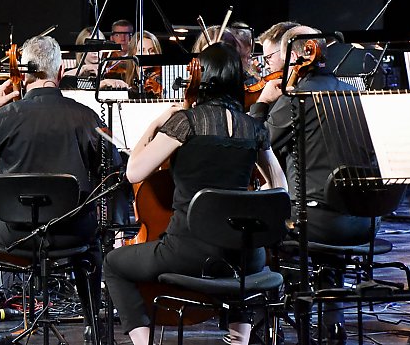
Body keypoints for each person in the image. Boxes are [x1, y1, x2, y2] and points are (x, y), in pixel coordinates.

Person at [103, 42, 287, 345]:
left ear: (201, 77)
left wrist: (154, 124)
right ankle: (239, 338)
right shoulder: (253, 128)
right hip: (246, 257)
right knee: (238, 252)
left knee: (113, 263)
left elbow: (133, 171)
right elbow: (279, 189)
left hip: (188, 254)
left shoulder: (185, 124)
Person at [0, 35, 121, 334]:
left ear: (24, 75)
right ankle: (94, 324)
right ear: (61, 73)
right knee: (92, 234)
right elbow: (115, 168)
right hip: (71, 231)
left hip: (15, 233)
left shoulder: (7, 115)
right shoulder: (87, 116)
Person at [249, 25, 367, 343]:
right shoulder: (352, 92)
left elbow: (254, 143)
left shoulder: (297, 98)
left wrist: (261, 104)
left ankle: (260, 327)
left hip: (315, 223)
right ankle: (333, 324)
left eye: (274, 56)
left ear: (296, 56)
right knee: (328, 212)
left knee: (250, 227)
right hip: (366, 222)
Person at [123, 30, 163, 97]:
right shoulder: (123, 78)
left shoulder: (163, 81)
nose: (147, 55)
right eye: (141, 50)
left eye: (152, 51)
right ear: (133, 53)